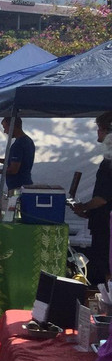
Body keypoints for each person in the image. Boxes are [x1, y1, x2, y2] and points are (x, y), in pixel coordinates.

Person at [72, 111, 112, 285]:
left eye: (100, 129)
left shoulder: (109, 163)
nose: (98, 133)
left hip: (106, 225)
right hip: (103, 220)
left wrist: (84, 207)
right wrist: (88, 212)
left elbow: (103, 198)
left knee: (105, 264)